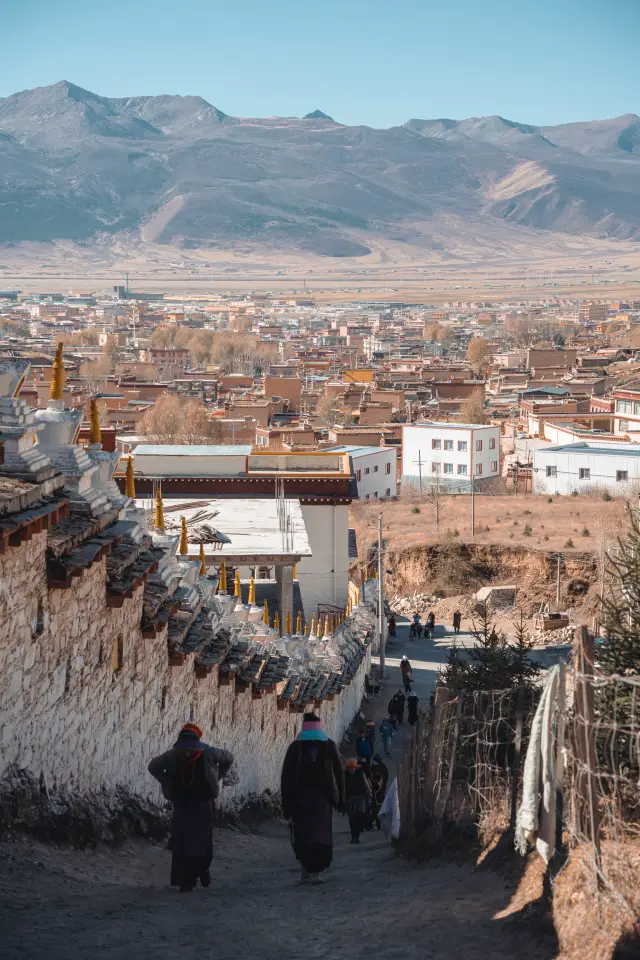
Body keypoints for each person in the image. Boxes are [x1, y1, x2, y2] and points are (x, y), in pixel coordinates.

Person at [148, 722, 234, 893]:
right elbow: (153, 767)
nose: (187, 752)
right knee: (182, 841)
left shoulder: (209, 753)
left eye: (190, 749)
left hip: (203, 802)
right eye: (184, 749)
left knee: (201, 841)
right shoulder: (173, 756)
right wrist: (168, 782)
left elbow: (228, 758)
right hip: (181, 803)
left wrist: (218, 776)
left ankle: (200, 871)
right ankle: (186, 879)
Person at [280, 713, 345, 886]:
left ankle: (307, 871)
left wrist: (286, 804)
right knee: (320, 836)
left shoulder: (295, 748)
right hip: (323, 801)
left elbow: (286, 778)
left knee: (303, 836)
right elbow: (339, 773)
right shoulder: (329, 746)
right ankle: (314, 872)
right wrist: (341, 799)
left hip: (300, 800)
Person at [344, 758, 372, 844]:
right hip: (349, 798)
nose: (351, 769)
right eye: (350, 767)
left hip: (360, 797)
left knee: (360, 815)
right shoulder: (344, 775)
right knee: (352, 819)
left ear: (356, 767)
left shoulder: (360, 774)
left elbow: (366, 785)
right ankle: (354, 837)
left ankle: (357, 836)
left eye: (353, 767)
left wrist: (369, 795)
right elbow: (341, 788)